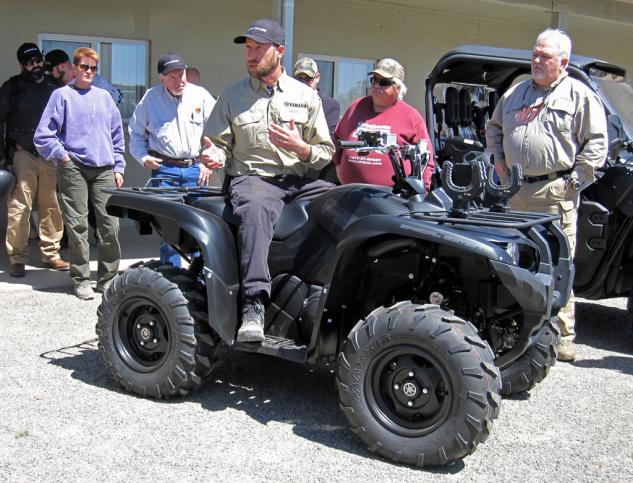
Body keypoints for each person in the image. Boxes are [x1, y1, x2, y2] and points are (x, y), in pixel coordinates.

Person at [202, 19, 334, 342]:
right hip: (253, 178)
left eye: (258, 48)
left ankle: (332, 292)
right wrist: (215, 156)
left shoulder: (305, 97)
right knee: (257, 207)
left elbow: (326, 152)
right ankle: (254, 304)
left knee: (340, 201)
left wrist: (302, 148)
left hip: (297, 181)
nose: (251, 55)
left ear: (280, 52)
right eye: (248, 48)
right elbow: (216, 144)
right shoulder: (232, 96)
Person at [486, 29, 608, 362]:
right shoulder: (514, 93)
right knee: (515, 258)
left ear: (563, 62)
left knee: (558, 263)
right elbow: (494, 128)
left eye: (545, 56)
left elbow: (597, 143)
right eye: (535, 54)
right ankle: (514, 327)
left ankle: (563, 336)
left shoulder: (578, 95)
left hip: (555, 192)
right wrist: (498, 159)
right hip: (515, 191)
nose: (536, 61)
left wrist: (577, 180)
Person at [34, 47, 125, 300]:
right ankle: (81, 278)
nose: (88, 72)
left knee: (110, 225)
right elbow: (43, 135)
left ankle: (107, 279)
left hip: (104, 167)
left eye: (93, 68)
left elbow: (117, 134)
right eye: (84, 67)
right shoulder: (61, 96)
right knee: (78, 225)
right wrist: (61, 155)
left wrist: (119, 166)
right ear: (74, 69)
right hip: (73, 167)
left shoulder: (105, 97)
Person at [128, 53, 216, 267]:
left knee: (200, 228)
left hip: (196, 170)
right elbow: (136, 134)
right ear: (162, 78)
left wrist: (208, 161)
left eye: (182, 75)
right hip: (164, 170)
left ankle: (199, 278)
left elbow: (218, 131)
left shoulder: (201, 96)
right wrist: (143, 157)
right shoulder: (150, 100)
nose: (180, 81)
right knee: (168, 229)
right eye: (174, 77)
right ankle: (172, 276)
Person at [0, 42, 68, 278]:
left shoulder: (54, 86)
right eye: (30, 62)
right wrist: (3, 156)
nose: (36, 65)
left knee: (51, 204)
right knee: (20, 206)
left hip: (49, 154)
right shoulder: (12, 87)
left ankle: (51, 254)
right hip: (22, 153)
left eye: (38, 60)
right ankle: (17, 258)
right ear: (22, 65)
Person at [332, 58, 435, 192]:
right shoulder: (356, 107)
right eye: (374, 80)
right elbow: (338, 139)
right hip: (350, 194)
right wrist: (338, 165)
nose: (376, 85)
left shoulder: (411, 116)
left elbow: (426, 158)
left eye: (384, 82)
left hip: (391, 199)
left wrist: (422, 191)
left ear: (398, 88)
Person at [293, 57, 340, 182]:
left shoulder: (330, 105)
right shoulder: (287, 101)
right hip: (291, 164)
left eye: (308, 78)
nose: (303, 83)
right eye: (299, 78)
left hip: (315, 166)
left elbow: (326, 140)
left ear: (317, 77)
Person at [44, 49, 122, 105]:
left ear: (62, 67)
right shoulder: (56, 86)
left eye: (50, 69)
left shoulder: (89, 79)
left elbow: (116, 96)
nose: (48, 73)